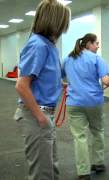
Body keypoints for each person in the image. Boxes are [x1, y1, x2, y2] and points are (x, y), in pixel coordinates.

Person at [14, 0, 71, 180]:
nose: (64, 28)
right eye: (62, 23)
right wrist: (40, 117)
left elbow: (40, 76)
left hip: (46, 114)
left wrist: (57, 83)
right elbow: (22, 85)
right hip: (37, 114)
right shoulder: (38, 45)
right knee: (42, 173)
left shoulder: (49, 46)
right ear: (54, 22)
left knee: (51, 169)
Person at [62, 33, 109, 180]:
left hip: (74, 103)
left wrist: (68, 85)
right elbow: (106, 81)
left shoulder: (67, 59)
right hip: (94, 102)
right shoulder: (97, 59)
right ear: (88, 44)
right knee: (97, 131)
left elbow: (57, 77)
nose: (98, 46)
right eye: (96, 43)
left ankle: (83, 172)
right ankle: (98, 163)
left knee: (79, 137)